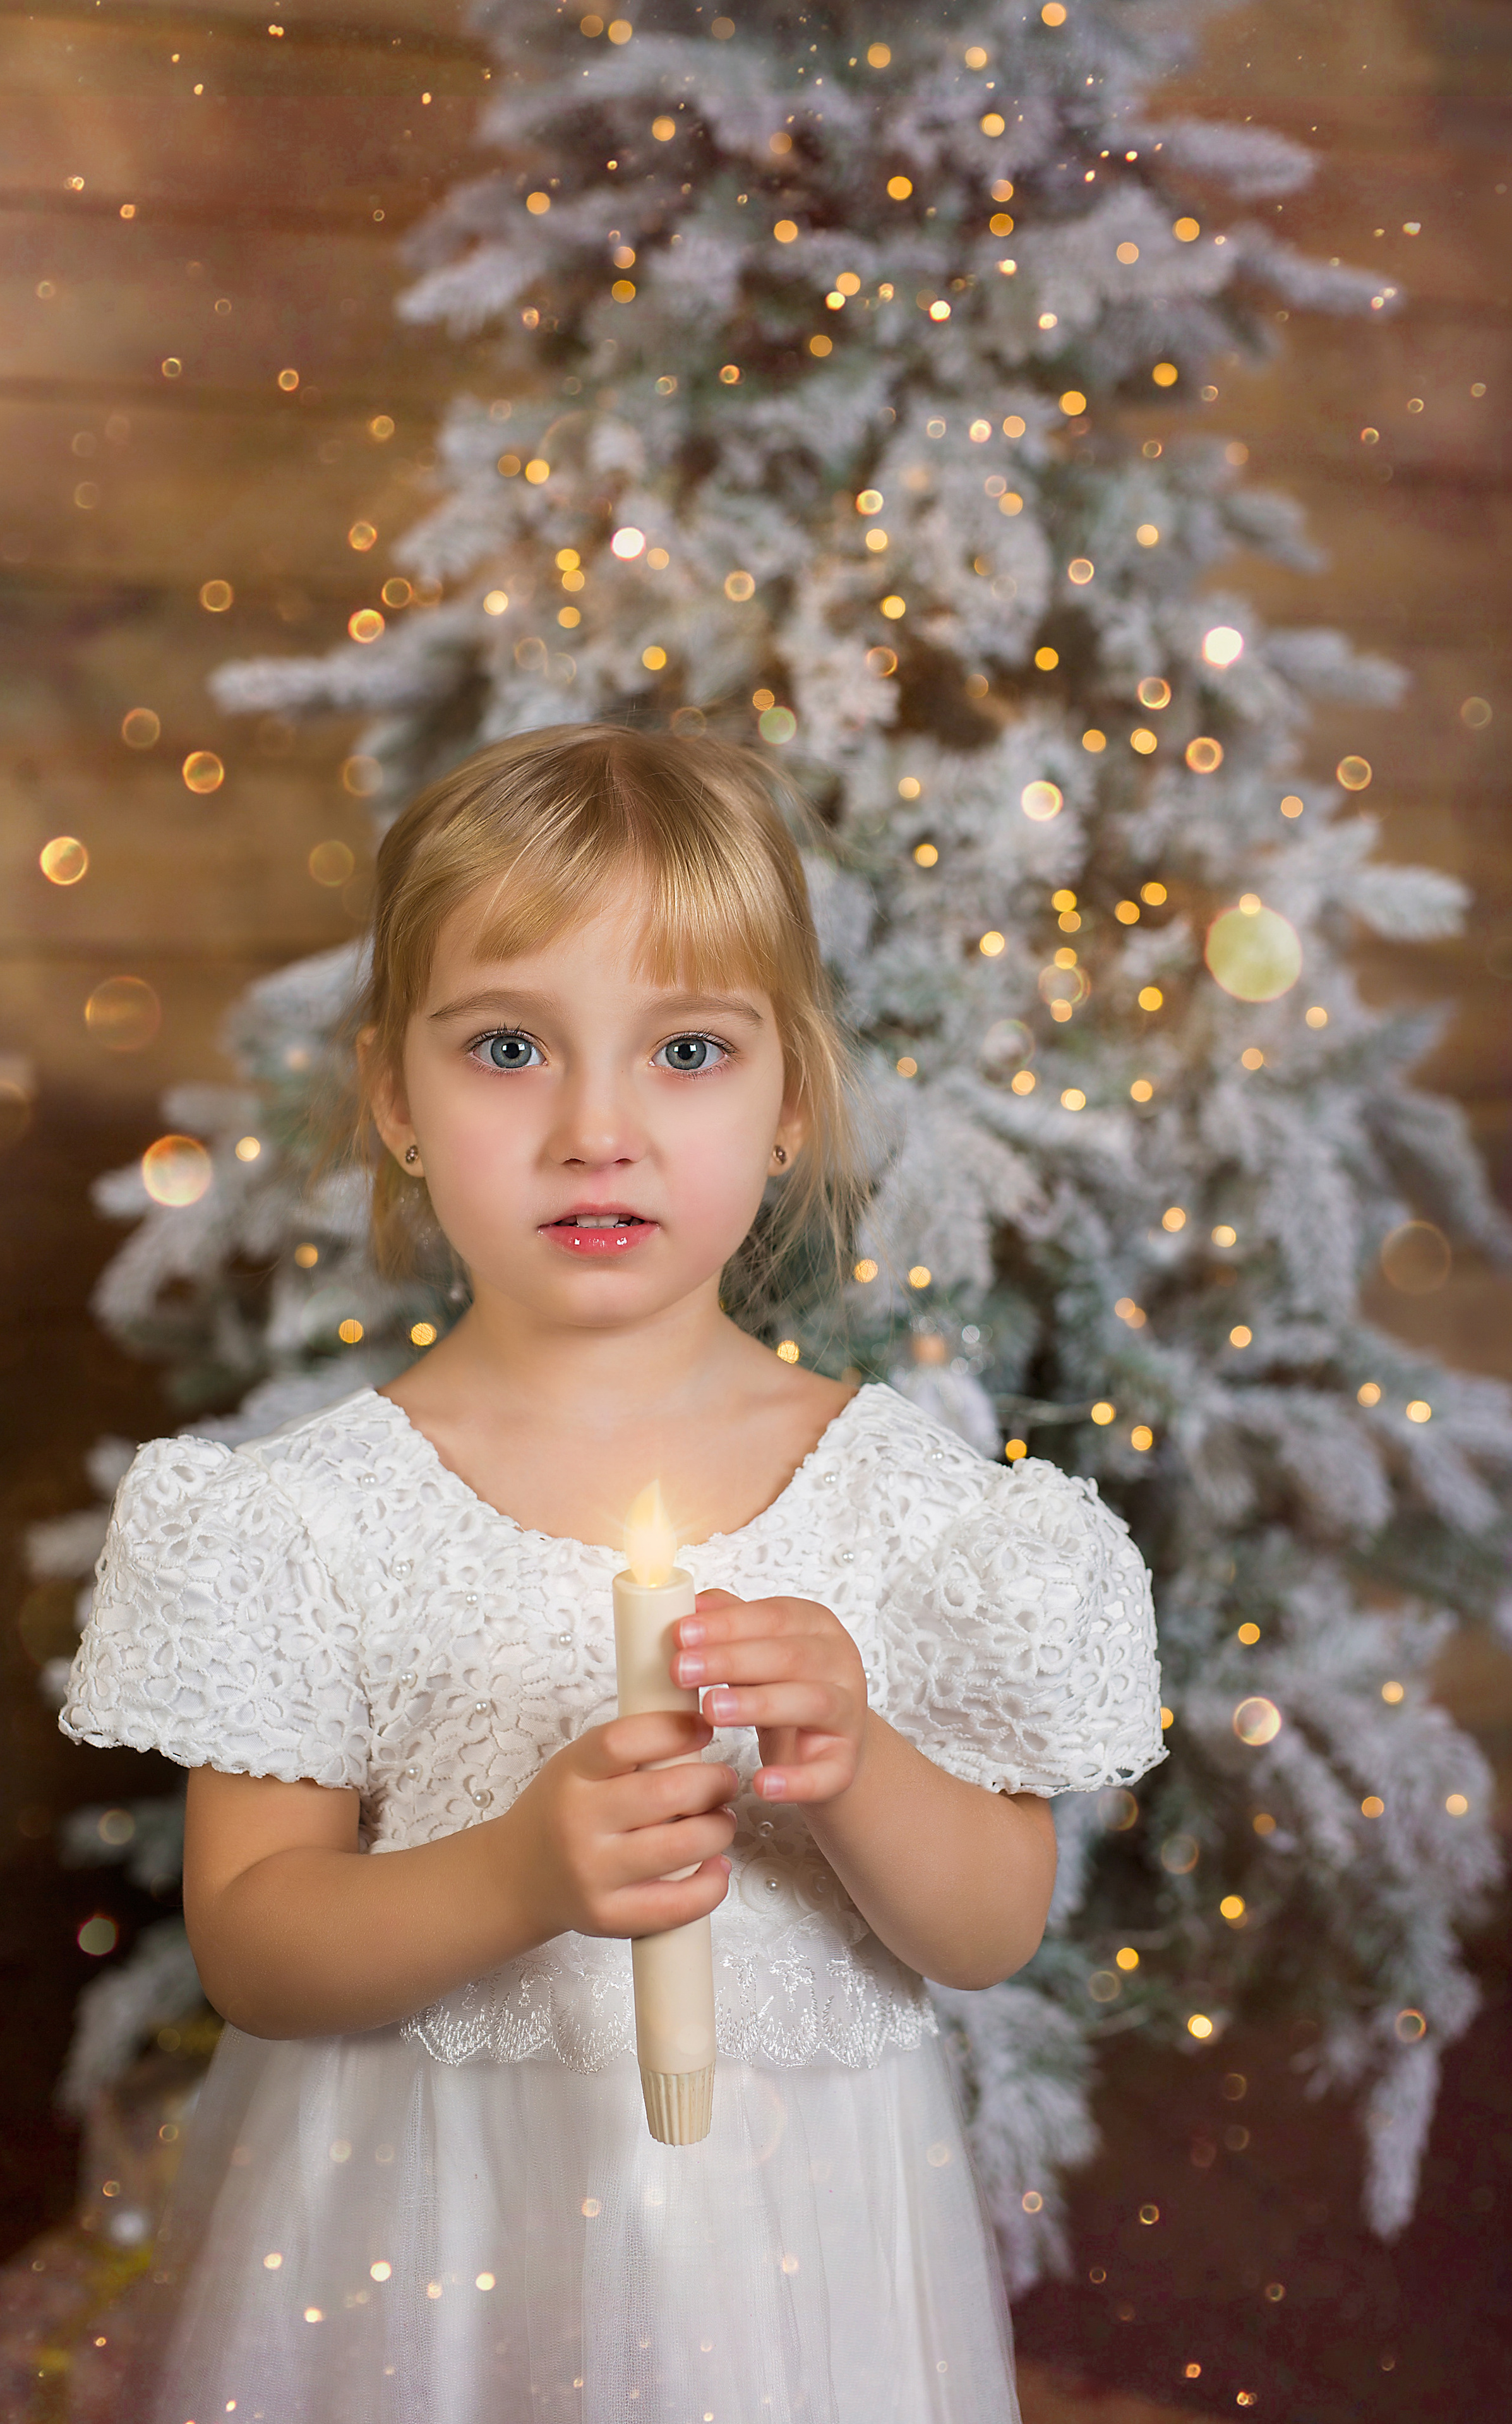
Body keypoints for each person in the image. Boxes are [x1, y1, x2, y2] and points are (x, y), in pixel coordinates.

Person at [61, 724, 1165, 2424]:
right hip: (426, 2245)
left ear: (792, 1099)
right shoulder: (304, 1518)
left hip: (794, 2266)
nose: (597, 1128)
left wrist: (860, 1769)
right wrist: (515, 1873)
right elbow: (258, 1949)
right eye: (508, 1046)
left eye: (689, 1052)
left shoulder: (912, 1508)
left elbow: (987, 1930)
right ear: (394, 1099)